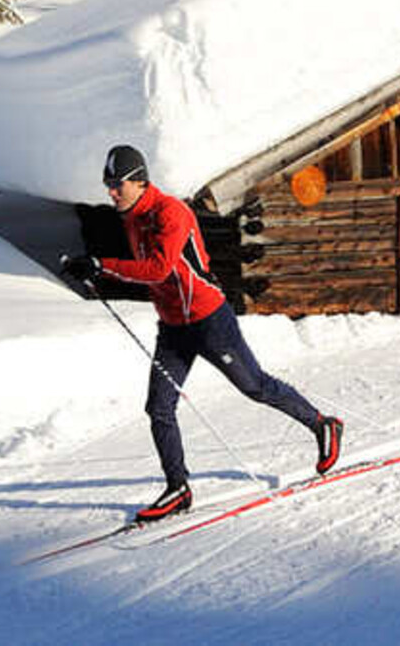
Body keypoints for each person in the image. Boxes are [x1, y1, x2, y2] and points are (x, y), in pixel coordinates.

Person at [61, 145, 343, 523]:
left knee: (254, 386)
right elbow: (149, 273)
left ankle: (323, 424)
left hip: (208, 318)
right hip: (173, 326)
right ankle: (178, 487)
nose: (112, 192)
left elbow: (158, 269)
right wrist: (90, 268)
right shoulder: (130, 216)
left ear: (140, 181)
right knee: (158, 407)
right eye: (108, 185)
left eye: (118, 184)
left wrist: (100, 266)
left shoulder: (170, 212)